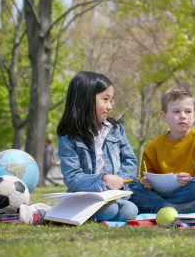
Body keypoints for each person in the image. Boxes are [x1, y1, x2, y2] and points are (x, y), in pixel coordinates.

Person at [55, 71, 138, 222]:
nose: (110, 106)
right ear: (85, 99)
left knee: (130, 211)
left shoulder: (115, 129)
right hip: (86, 197)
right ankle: (60, 212)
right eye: (105, 99)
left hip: (115, 195)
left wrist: (118, 181)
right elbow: (72, 177)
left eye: (111, 101)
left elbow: (130, 161)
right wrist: (103, 180)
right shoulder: (69, 136)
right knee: (110, 211)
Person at [128, 86, 195, 214]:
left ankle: (161, 207)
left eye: (188, 112)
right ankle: (172, 207)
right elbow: (146, 177)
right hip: (161, 193)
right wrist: (147, 184)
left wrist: (190, 180)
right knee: (131, 184)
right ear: (164, 116)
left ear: (194, 116)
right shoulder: (153, 147)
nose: (182, 116)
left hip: (191, 193)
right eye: (176, 111)